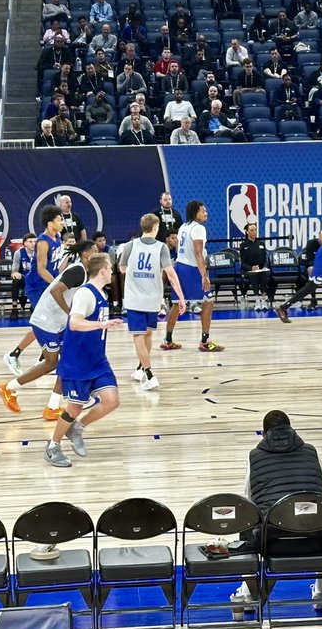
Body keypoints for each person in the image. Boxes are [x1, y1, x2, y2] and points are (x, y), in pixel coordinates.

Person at [231, 409, 322, 618]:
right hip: (315, 539)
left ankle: (249, 595)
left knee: (247, 522)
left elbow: (249, 501)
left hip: (273, 541)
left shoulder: (254, 457)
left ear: (264, 434)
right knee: (321, 517)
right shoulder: (311, 451)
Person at [0, 239, 97, 418]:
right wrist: (70, 313)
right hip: (46, 321)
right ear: (86, 254)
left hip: (56, 323)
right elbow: (55, 290)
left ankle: (54, 405)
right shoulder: (78, 270)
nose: (98, 254)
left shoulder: (82, 271)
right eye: (95, 251)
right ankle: (10, 387)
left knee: (68, 361)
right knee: (53, 363)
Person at [44, 253, 124, 467]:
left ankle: (77, 429)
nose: (113, 271)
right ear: (102, 270)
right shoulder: (85, 294)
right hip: (77, 362)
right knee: (74, 408)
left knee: (112, 400)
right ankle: (53, 446)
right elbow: (74, 323)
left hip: (97, 360)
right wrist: (101, 325)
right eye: (110, 267)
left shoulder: (101, 294)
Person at [119, 213, 187, 391]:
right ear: (155, 228)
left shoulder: (129, 246)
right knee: (147, 335)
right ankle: (141, 368)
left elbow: (122, 268)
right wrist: (180, 297)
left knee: (139, 337)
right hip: (153, 300)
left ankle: (148, 373)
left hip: (135, 299)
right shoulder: (161, 248)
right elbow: (171, 275)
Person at [3, 206, 65, 380]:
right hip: (37, 287)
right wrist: (56, 284)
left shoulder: (58, 237)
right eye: (59, 220)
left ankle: (42, 357)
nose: (62, 222)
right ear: (50, 223)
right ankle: (14, 354)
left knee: (52, 322)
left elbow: (55, 266)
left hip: (49, 284)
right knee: (42, 323)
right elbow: (41, 268)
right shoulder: (43, 242)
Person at [162, 200, 223, 352]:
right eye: (203, 211)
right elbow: (197, 252)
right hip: (191, 269)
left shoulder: (183, 226)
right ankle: (205, 341)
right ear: (196, 212)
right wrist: (204, 275)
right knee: (208, 302)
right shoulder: (198, 228)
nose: (206, 213)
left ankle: (167, 340)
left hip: (179, 267)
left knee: (177, 304)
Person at [238, 221, 275, 309]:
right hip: (249, 270)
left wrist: (265, 267)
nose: (254, 232)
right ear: (247, 232)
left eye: (255, 230)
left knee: (263, 274)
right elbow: (243, 263)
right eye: (251, 230)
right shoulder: (243, 245)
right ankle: (257, 300)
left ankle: (263, 299)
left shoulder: (261, 244)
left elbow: (265, 259)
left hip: (261, 269)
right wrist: (251, 268)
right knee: (254, 274)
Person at [10, 233, 37, 312]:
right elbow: (14, 271)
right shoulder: (19, 253)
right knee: (15, 279)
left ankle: (34, 304)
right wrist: (15, 273)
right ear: (25, 243)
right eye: (30, 242)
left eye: (35, 242)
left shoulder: (39, 252)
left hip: (36, 279)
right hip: (24, 278)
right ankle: (14, 307)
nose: (33, 244)